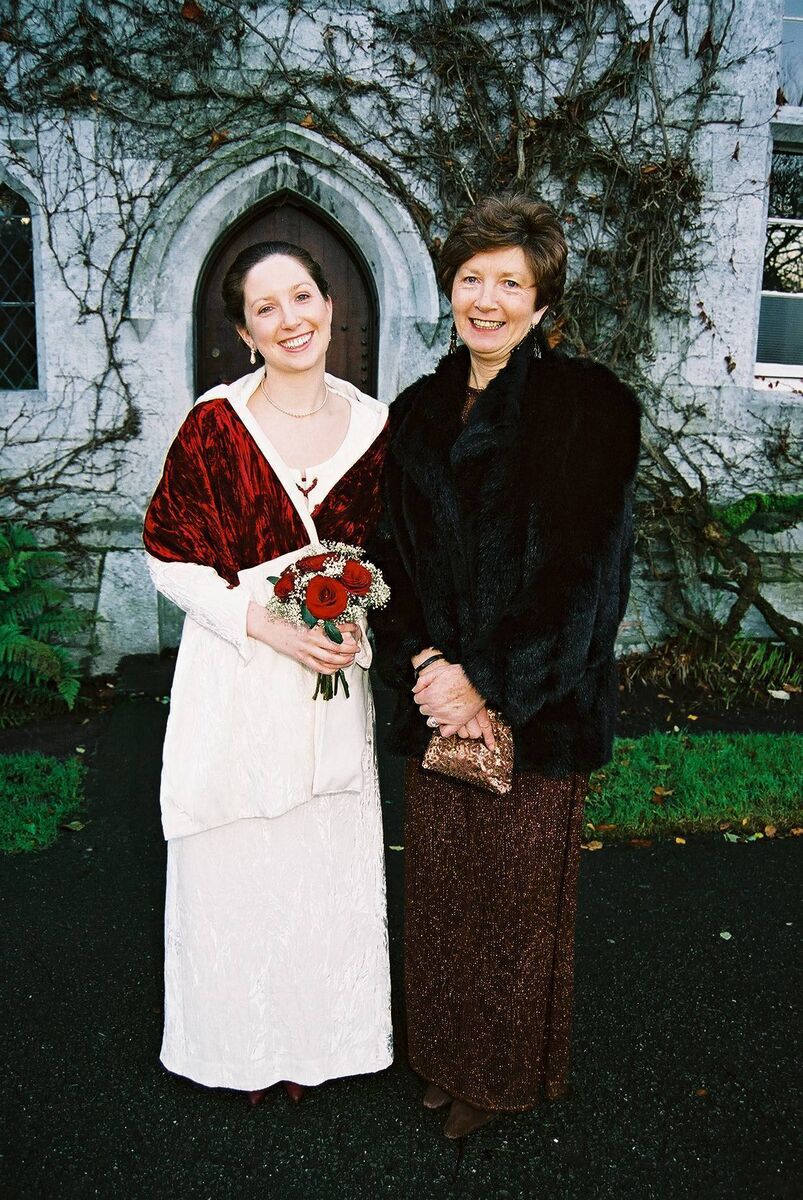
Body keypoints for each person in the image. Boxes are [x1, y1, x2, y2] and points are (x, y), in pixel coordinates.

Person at [376, 194, 640, 1138]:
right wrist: (427, 666)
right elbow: (386, 561)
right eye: (470, 279)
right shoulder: (413, 412)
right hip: (434, 700)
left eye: (508, 283)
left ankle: (497, 1078)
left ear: (541, 302)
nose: (484, 299)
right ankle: (444, 1059)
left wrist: (485, 680)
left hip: (536, 705)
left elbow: (585, 578)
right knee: (444, 901)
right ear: (450, 288)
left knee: (513, 904)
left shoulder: (589, 408)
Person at [142, 241, 392, 1103]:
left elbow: (398, 557)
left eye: (301, 298)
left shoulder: (376, 424)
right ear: (245, 332)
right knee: (240, 862)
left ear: (330, 305)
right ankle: (236, 1049)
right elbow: (167, 558)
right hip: (241, 675)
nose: (290, 321)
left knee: (318, 860)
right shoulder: (214, 424)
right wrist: (265, 624)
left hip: (332, 677)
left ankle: (319, 1046)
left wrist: (357, 626)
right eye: (266, 309)